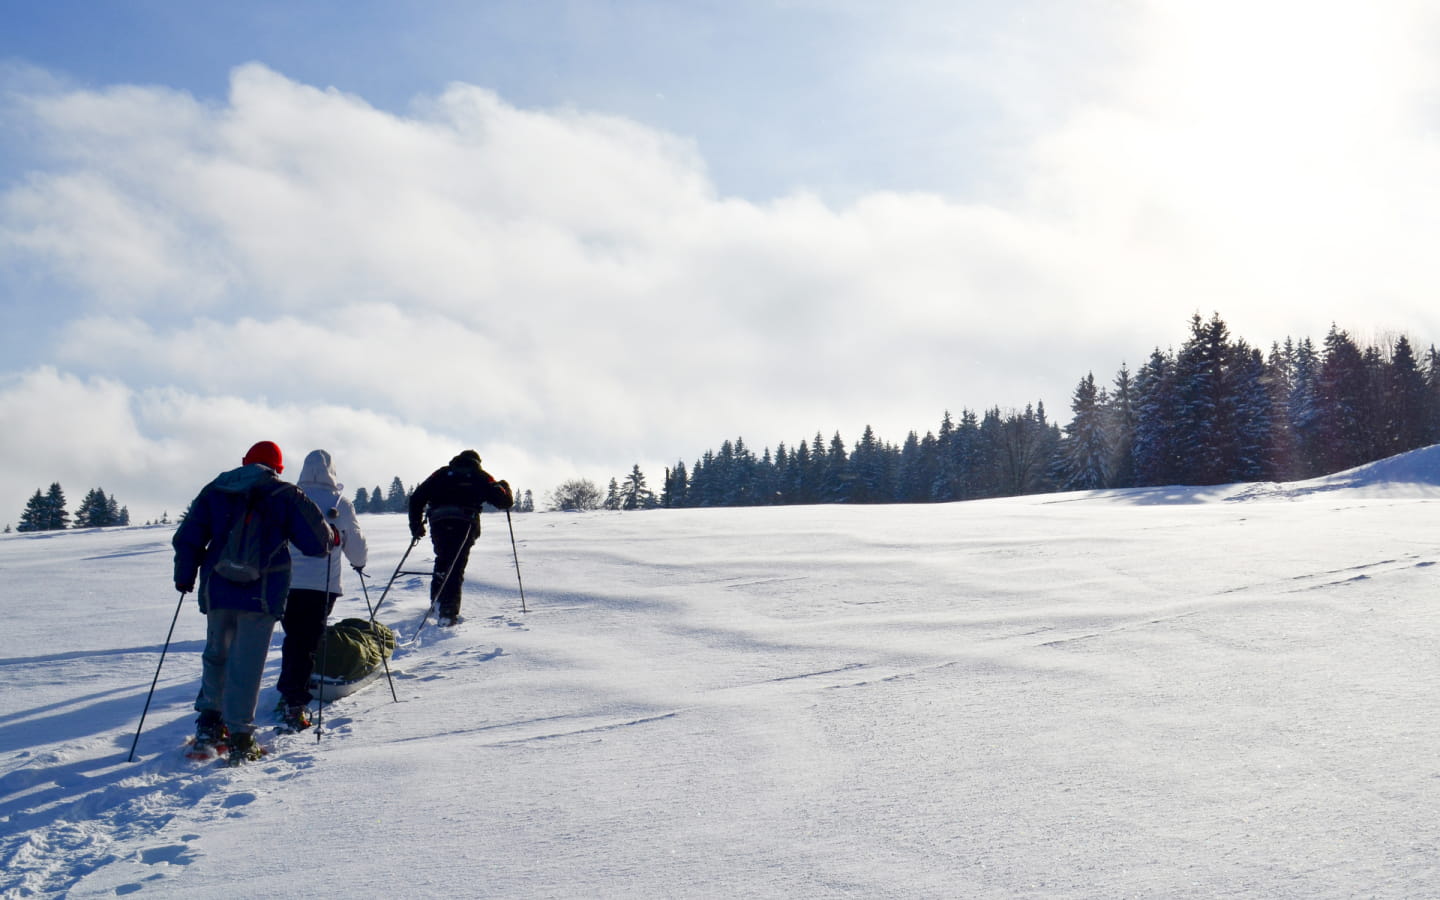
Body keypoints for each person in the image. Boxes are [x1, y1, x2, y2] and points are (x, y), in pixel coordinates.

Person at [172, 440, 338, 765]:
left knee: (216, 654)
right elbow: (317, 544)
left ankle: (209, 726)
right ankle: (241, 738)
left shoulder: (216, 489)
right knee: (246, 664)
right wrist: (332, 536)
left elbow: (188, 536)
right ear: (278, 469)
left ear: (245, 461)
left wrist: (184, 575)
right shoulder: (286, 495)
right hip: (261, 593)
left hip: (217, 589)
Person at [273, 449, 368, 732]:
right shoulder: (340, 503)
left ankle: (292, 690)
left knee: (294, 638)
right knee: (306, 641)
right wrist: (360, 563)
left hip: (286, 581)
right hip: (322, 585)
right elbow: (356, 545)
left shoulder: (290, 497)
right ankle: (295, 701)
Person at [407, 450, 513, 625]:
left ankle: (437, 602)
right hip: (465, 522)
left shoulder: (440, 474)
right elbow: (504, 502)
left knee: (443, 559)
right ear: (477, 462)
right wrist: (504, 486)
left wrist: (416, 525)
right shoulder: (481, 476)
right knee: (456, 564)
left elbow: (416, 498)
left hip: (439, 522)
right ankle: (448, 612)